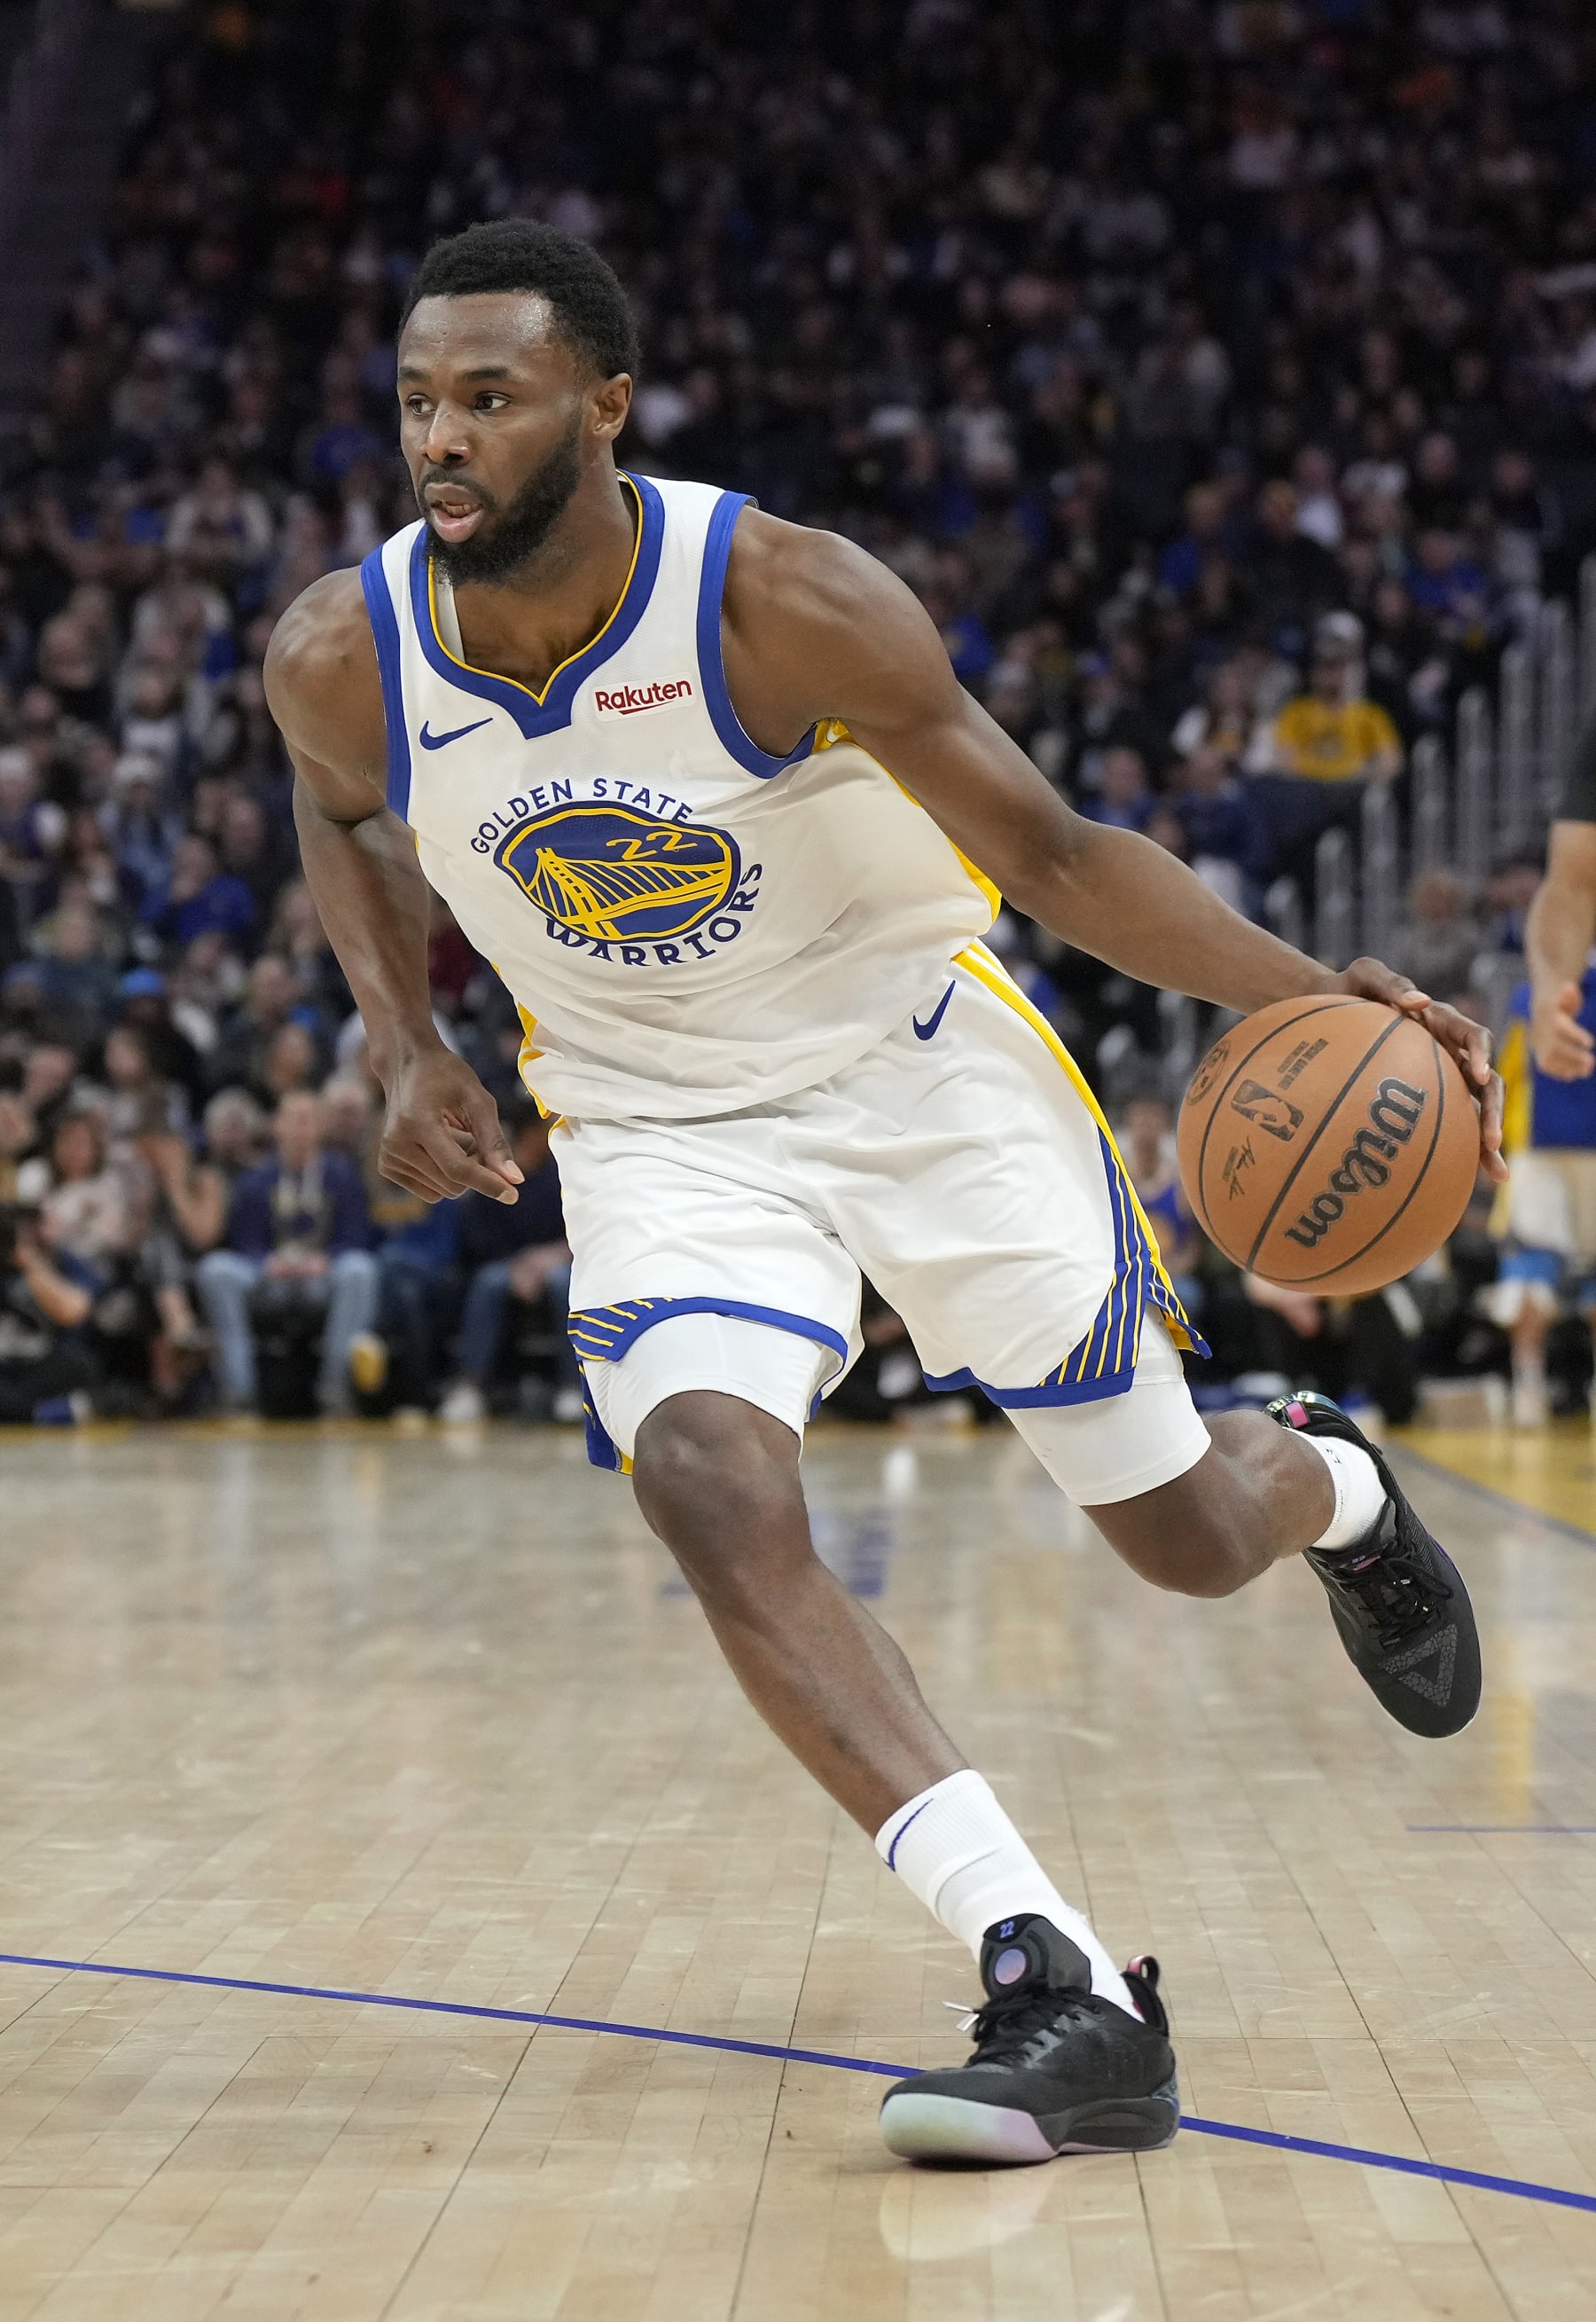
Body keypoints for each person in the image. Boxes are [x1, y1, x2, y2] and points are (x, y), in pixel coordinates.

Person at [264, 222, 1504, 2170]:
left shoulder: (782, 598)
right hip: (658, 1120)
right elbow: (344, 817)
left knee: (1182, 1536)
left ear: (603, 407)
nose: (441, 438)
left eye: (488, 400)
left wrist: (1310, 990)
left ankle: (1327, 1477)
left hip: (920, 1067)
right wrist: (405, 1046)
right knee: (702, 1473)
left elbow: (1064, 853)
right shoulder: (345, 651)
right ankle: (1054, 1970)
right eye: (419, 400)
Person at [1490, 731, 1596, 1424]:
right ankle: (1526, 1381)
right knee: (1531, 1276)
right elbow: (1572, 884)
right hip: (1545, 1151)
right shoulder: (1538, 996)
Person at [195, 1087, 377, 1415]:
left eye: (307, 1120)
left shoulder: (342, 1175)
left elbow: (354, 1236)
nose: (300, 1128)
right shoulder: (255, 1179)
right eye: (292, 1120)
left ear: (321, 1127)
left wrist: (327, 1260)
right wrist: (266, 1262)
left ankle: (335, 1388)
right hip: (270, 1278)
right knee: (216, 1269)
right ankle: (239, 1392)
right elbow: (244, 1241)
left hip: (322, 1277)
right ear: (276, 1126)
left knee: (360, 1269)